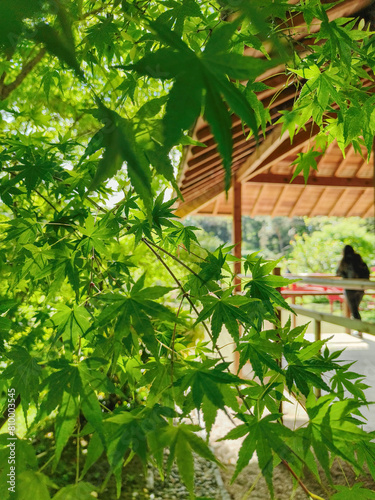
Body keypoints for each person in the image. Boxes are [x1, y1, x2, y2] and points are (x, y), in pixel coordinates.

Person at [336, 245, 370, 320]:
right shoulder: (358, 259)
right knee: (355, 309)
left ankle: (359, 328)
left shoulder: (344, 261)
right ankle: (359, 328)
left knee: (354, 310)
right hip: (361, 287)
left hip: (350, 287)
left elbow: (338, 272)